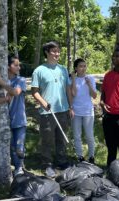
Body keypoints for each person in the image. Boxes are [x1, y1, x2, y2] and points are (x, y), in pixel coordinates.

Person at [31, 41, 74, 178]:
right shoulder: (39, 70)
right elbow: (34, 91)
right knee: (47, 140)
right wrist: (43, 102)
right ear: (47, 53)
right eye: (54, 51)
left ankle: (61, 161)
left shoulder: (63, 69)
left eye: (58, 51)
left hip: (63, 110)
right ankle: (47, 164)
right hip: (47, 113)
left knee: (61, 138)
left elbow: (68, 89)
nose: (57, 54)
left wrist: (70, 106)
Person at [0, 55, 27, 177]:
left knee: (19, 147)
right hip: (5, 122)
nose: (19, 67)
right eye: (16, 65)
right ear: (8, 66)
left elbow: (15, 92)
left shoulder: (21, 80)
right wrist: (3, 99)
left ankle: (19, 168)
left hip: (19, 120)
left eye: (19, 65)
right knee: (13, 147)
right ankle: (17, 169)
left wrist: (0, 82)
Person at [70, 58, 97, 164]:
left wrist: (89, 84)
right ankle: (80, 157)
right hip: (76, 111)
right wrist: (73, 80)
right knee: (77, 135)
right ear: (76, 68)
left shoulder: (90, 78)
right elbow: (74, 94)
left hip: (88, 111)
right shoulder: (73, 79)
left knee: (89, 135)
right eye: (80, 66)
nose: (83, 68)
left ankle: (91, 156)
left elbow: (94, 96)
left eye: (84, 66)